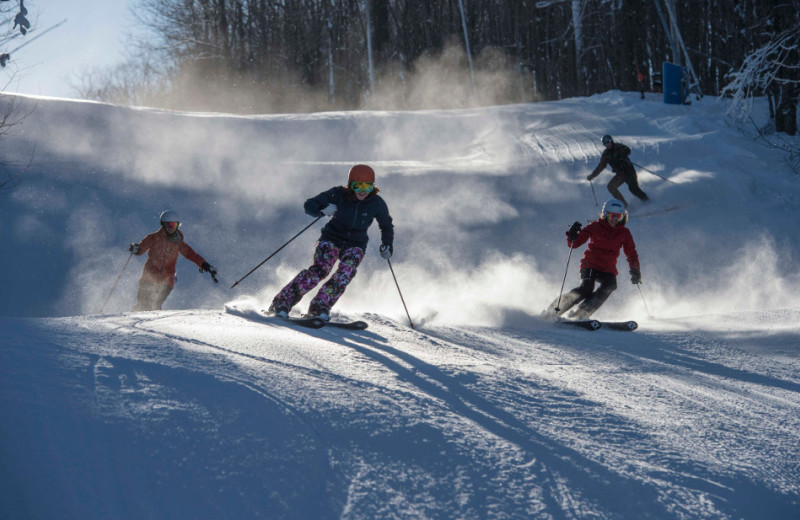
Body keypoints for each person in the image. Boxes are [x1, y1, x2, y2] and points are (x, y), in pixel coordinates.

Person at [267, 164, 394, 321]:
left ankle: (320, 306)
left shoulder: (377, 203)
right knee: (321, 269)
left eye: (367, 187)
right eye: (357, 185)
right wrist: (322, 209)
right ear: (350, 184)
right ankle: (282, 302)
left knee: (346, 273)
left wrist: (387, 244)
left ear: (373, 187)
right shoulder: (338, 194)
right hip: (331, 238)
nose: (362, 191)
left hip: (356, 244)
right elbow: (309, 205)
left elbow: (386, 225)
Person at [544, 199, 641, 320]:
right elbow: (574, 244)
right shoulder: (595, 226)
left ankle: (582, 312)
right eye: (612, 215)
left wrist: (635, 270)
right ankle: (554, 310)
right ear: (605, 214)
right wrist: (572, 235)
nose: (615, 219)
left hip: (607, 268)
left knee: (610, 285)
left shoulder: (624, 233)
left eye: (619, 216)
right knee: (586, 288)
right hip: (590, 264)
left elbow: (631, 253)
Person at [129, 210, 216, 311]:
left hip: (166, 281)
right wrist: (136, 249)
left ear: (177, 226)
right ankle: (132, 323)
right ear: (163, 225)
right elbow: (141, 248)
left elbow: (191, 255)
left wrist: (204, 265)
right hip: (148, 277)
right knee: (142, 305)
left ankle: (151, 324)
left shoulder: (178, 243)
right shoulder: (153, 238)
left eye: (173, 225)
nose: (171, 228)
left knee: (154, 305)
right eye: (168, 225)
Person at [587, 134, 649, 208]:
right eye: (604, 143)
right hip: (621, 174)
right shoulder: (606, 154)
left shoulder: (618, 147)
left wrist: (622, 154)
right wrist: (592, 176)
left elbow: (627, 150)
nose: (607, 144)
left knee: (633, 188)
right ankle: (625, 206)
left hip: (629, 171)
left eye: (608, 142)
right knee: (611, 186)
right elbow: (601, 166)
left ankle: (647, 201)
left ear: (611, 141)